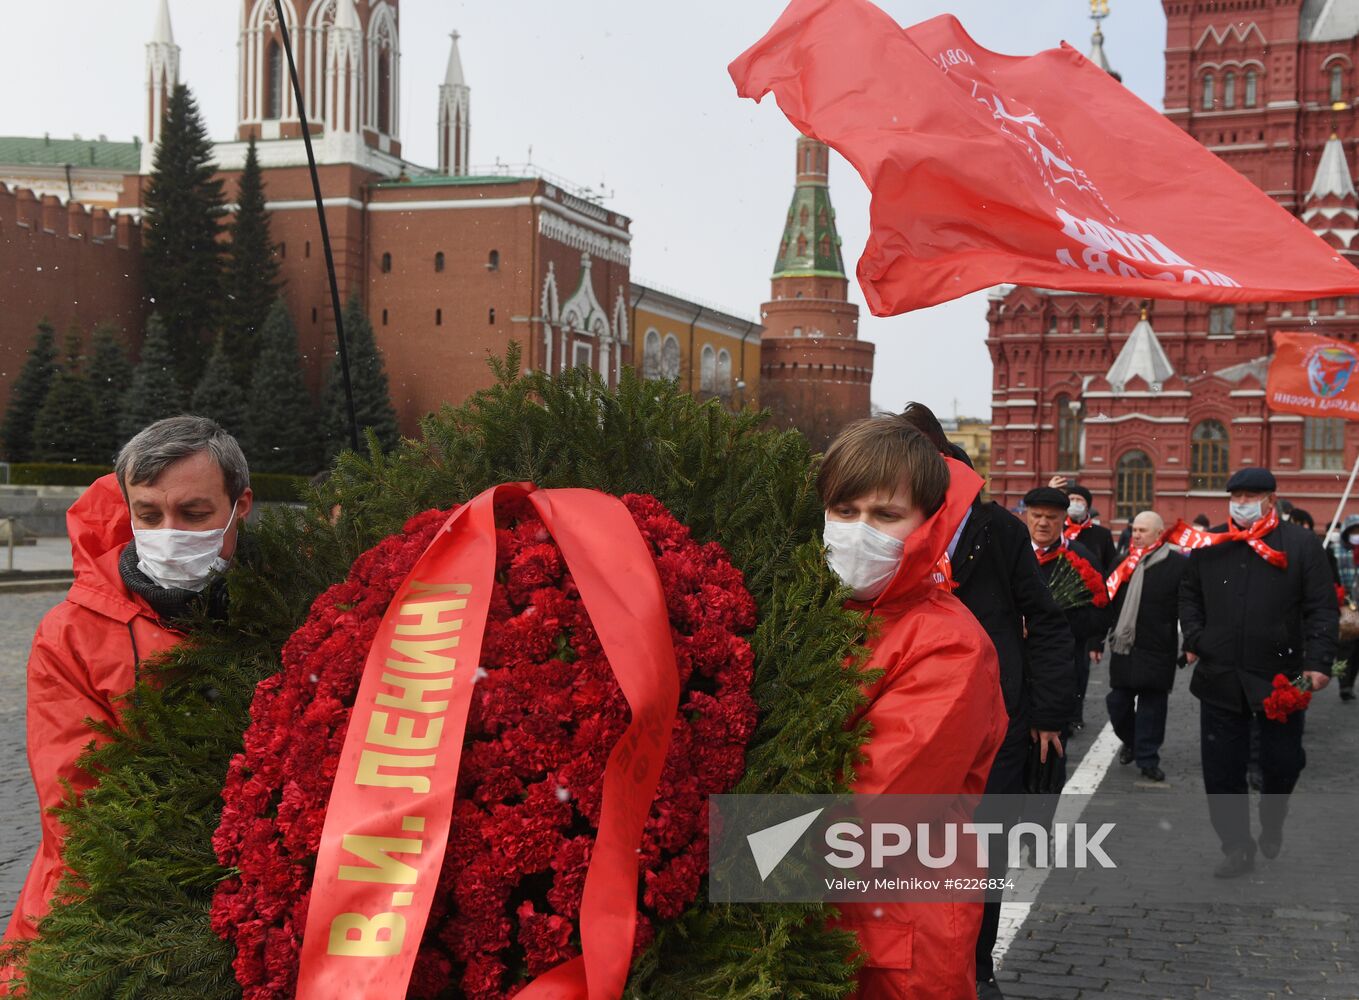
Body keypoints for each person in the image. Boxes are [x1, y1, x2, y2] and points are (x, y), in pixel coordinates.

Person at [2, 417, 252, 949]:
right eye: (148, 514)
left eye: (194, 513)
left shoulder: (295, 603)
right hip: (110, 909)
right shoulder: (70, 633)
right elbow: (79, 799)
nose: (170, 533)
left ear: (240, 506)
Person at [819, 416, 1007, 999]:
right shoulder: (817, 613)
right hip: (819, 917)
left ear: (928, 524)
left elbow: (877, 803)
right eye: (844, 512)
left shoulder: (949, 644)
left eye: (885, 515)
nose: (858, 532)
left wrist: (710, 844)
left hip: (900, 926)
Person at [900, 403, 1073, 1000]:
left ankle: (976, 965)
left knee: (984, 846)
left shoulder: (998, 530)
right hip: (908, 716)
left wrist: (1049, 714)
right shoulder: (891, 524)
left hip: (993, 717)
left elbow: (1044, 621)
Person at [1179, 467, 1336, 878]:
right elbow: (1189, 594)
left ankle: (1273, 815)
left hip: (1281, 678)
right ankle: (1236, 846)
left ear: (1271, 499)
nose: (1242, 501)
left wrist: (1318, 664)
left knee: (1283, 762)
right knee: (1221, 769)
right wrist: (1196, 636)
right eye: (1237, 494)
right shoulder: (1211, 543)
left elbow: (1321, 608)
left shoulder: (1302, 545)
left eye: (1251, 495)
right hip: (1220, 675)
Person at [1094, 510, 1187, 782]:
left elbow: (1187, 605)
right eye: (1134, 530)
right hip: (1125, 647)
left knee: (1153, 708)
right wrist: (1095, 639)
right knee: (1117, 703)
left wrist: (1191, 642)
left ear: (1160, 533)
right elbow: (1106, 603)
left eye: (1142, 531)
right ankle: (1133, 741)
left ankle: (1148, 759)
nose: (1135, 535)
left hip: (1158, 647)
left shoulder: (1177, 565)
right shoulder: (1123, 562)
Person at [1029, 486, 1109, 734]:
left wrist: (1057, 622)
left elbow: (1101, 615)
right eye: (1036, 516)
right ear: (1026, 516)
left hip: (1062, 664)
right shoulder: (1011, 553)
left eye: (1051, 518)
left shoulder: (1081, 558)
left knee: (1053, 751)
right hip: (1015, 670)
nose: (1042, 523)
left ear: (1064, 519)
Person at [1047, 478, 1116, 729]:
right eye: (1072, 500)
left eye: (1080, 501)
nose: (1076, 504)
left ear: (1088, 506)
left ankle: (1074, 713)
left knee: (1080, 669)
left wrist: (1098, 634)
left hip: (1082, 616)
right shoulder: (1055, 530)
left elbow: (1107, 577)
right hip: (1054, 615)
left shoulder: (1101, 535)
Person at [1329, 515, 1359, 702]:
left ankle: (1350, 681)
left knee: (1357, 651)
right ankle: (1343, 684)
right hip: (1345, 606)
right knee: (1345, 647)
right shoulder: (1336, 551)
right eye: (1354, 531)